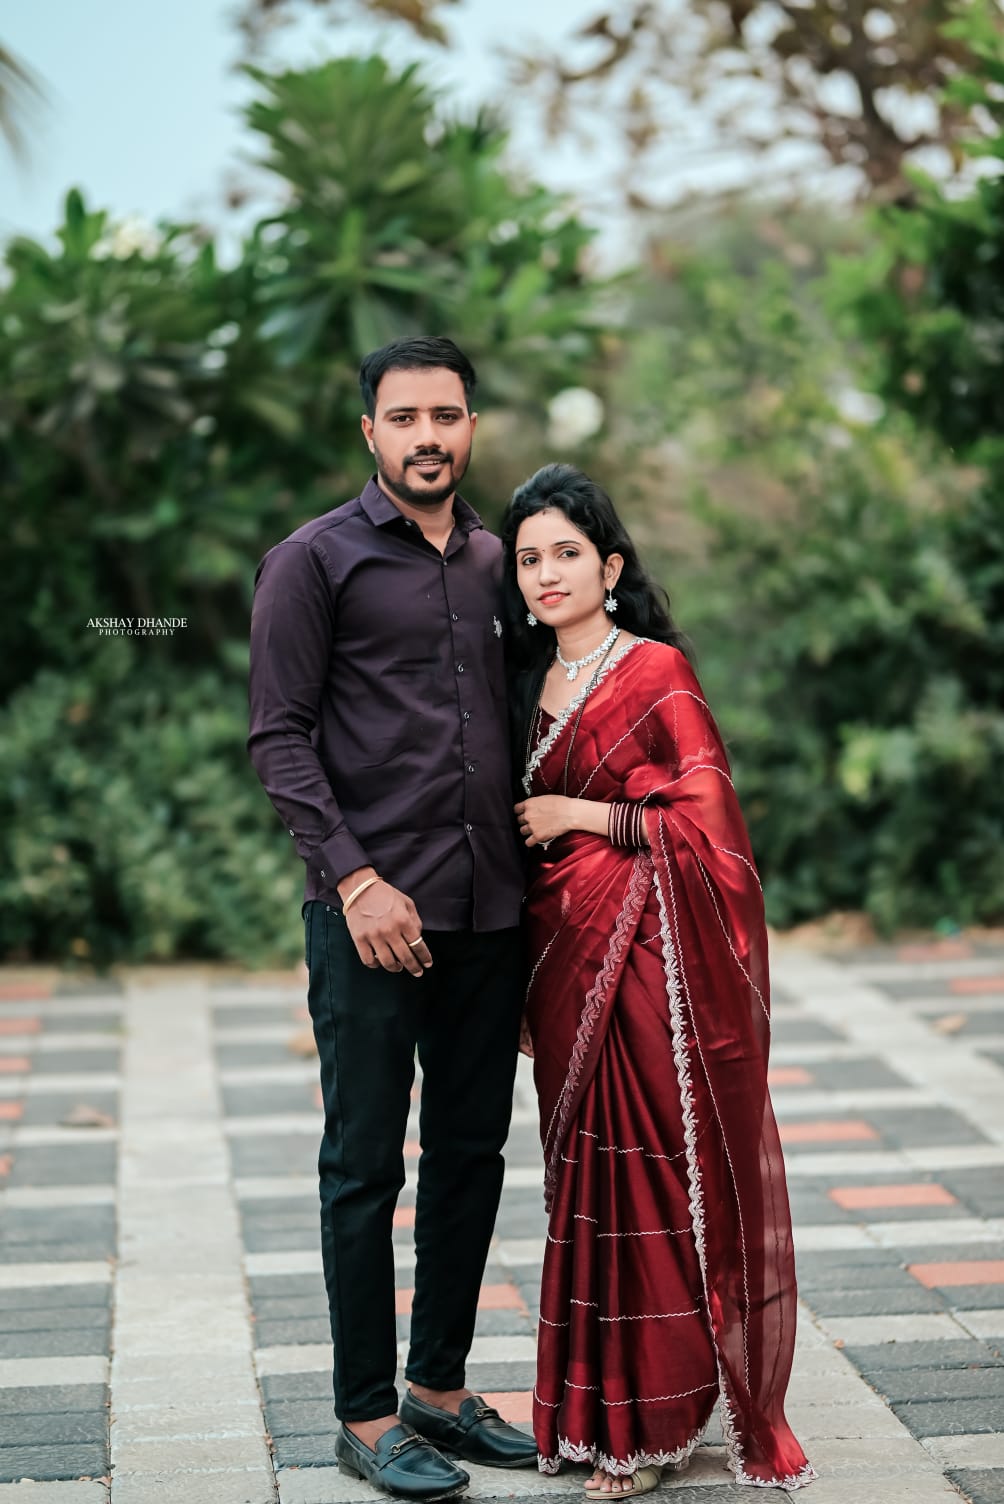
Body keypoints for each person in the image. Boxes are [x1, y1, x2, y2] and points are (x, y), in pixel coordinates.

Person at [247, 336, 538, 1500]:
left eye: (446, 415)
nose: (428, 436)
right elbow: (278, 737)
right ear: (368, 429)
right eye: (404, 416)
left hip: (488, 911)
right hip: (368, 913)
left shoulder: (498, 561)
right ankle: (366, 1414)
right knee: (363, 1167)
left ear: (470, 425)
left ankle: (439, 1388)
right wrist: (355, 881)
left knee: (470, 1156)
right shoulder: (311, 561)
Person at [501, 464, 814, 1496]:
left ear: (611, 566)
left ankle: (658, 1422)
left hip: (646, 957)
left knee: (647, 1166)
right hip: (558, 958)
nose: (547, 574)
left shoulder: (654, 672)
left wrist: (582, 816)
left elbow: (708, 824)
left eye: (567, 553)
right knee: (579, 1183)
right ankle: (591, 1411)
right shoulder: (519, 684)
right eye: (529, 559)